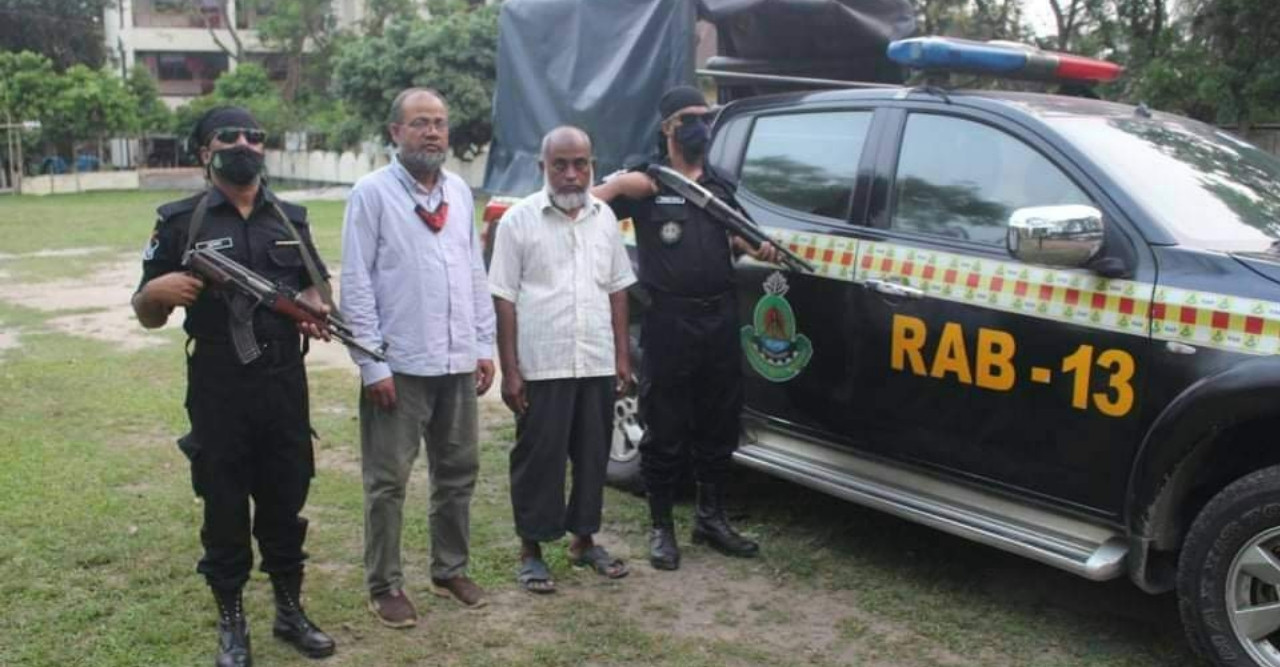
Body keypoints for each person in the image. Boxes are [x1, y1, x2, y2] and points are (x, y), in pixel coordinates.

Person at [132, 105, 336, 666]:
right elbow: (145, 310)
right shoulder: (180, 221)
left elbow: (319, 291)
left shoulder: (290, 219)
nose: (244, 143)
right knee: (223, 504)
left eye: (255, 135)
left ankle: (289, 611)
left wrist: (313, 309)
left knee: (286, 496)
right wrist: (155, 294)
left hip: (284, 383)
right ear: (205, 151)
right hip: (219, 384)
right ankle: (232, 622)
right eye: (229, 136)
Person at [592, 85, 780, 571]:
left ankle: (710, 518)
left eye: (706, 117)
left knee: (719, 420)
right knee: (666, 426)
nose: (701, 127)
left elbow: (738, 237)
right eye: (689, 119)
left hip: (718, 316)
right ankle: (661, 527)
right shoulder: (649, 181)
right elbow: (590, 208)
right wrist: (616, 186)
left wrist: (757, 247)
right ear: (667, 128)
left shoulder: (718, 187)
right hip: (669, 320)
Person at [340, 88, 496, 626]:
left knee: (458, 472)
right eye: (420, 123)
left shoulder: (457, 191)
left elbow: (474, 273)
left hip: (455, 363)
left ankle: (449, 568)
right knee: (387, 482)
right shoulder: (372, 194)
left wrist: (482, 345)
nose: (433, 132)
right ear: (395, 133)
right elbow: (356, 285)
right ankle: (384, 585)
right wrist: (371, 364)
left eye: (440, 123)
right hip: (399, 367)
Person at [489, 127, 637, 593]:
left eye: (581, 164)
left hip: (594, 359)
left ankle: (584, 539)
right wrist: (511, 370)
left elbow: (617, 289)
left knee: (593, 456)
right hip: (542, 362)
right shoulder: (518, 221)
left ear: (592, 164)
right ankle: (532, 550)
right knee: (539, 459)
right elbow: (504, 298)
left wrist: (621, 356)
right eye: (561, 165)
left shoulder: (605, 217)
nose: (572, 175)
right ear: (543, 168)